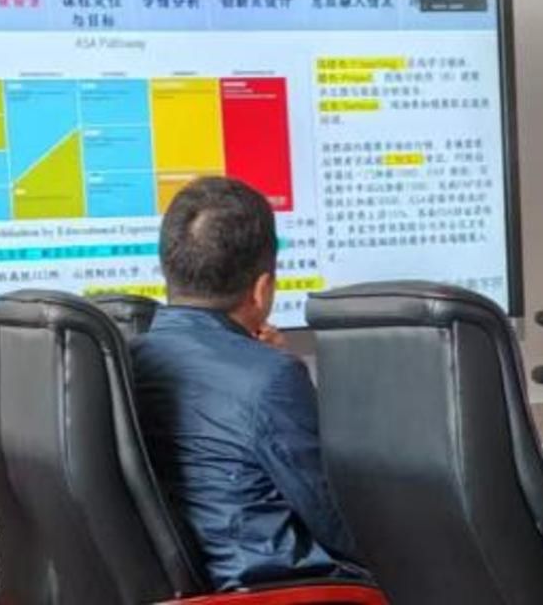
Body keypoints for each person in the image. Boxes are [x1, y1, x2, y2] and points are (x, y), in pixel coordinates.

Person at [129, 176, 371, 591]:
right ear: (261, 290)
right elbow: (338, 522)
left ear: (168, 273)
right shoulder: (271, 378)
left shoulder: (127, 358)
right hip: (281, 592)